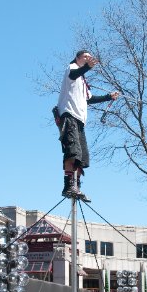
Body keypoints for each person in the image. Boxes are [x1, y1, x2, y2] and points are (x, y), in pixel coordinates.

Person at [56, 49, 119, 200]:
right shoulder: (72, 68)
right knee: (72, 151)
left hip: (80, 121)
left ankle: (76, 186)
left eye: (90, 57)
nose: (88, 58)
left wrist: (108, 97)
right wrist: (87, 67)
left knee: (81, 156)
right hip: (69, 115)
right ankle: (68, 186)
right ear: (78, 57)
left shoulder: (83, 81)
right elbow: (73, 75)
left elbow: (89, 99)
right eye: (85, 56)